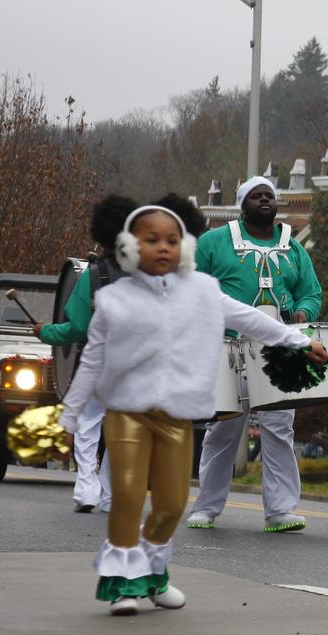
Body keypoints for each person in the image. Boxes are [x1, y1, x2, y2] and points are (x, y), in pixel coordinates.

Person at [58, 203, 327, 615]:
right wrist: (71, 413)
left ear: (184, 246)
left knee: (170, 505)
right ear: (130, 247)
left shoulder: (201, 290)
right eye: (151, 240)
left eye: (171, 240)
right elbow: (92, 360)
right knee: (129, 499)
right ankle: (123, 585)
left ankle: (154, 573)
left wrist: (299, 340)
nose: (163, 248)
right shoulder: (113, 300)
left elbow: (250, 318)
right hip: (127, 413)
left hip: (175, 415)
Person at [34, 195, 207, 514]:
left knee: (88, 425)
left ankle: (86, 487)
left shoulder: (94, 274)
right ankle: (110, 492)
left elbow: (77, 328)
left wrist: (45, 332)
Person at [187, 177, 323, 533]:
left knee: (280, 428)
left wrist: (304, 313)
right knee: (224, 427)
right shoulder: (214, 242)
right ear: (242, 203)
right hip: (227, 347)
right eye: (256, 196)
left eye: (270, 196)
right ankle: (206, 507)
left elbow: (311, 292)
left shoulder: (293, 248)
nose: (264, 200)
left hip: (280, 351)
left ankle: (280, 509)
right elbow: (193, 285)